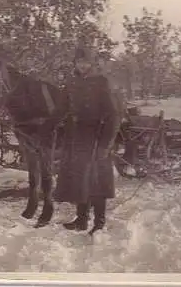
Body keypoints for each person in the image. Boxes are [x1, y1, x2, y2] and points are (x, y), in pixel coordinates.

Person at [54, 47, 122, 236]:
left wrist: (105, 145)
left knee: (97, 181)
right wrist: (48, 125)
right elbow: (61, 109)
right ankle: (82, 219)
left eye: (86, 62)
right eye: (79, 62)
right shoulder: (71, 82)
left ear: (92, 64)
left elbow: (113, 115)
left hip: (96, 137)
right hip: (76, 138)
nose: (82, 65)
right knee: (80, 180)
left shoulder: (101, 82)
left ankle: (99, 222)